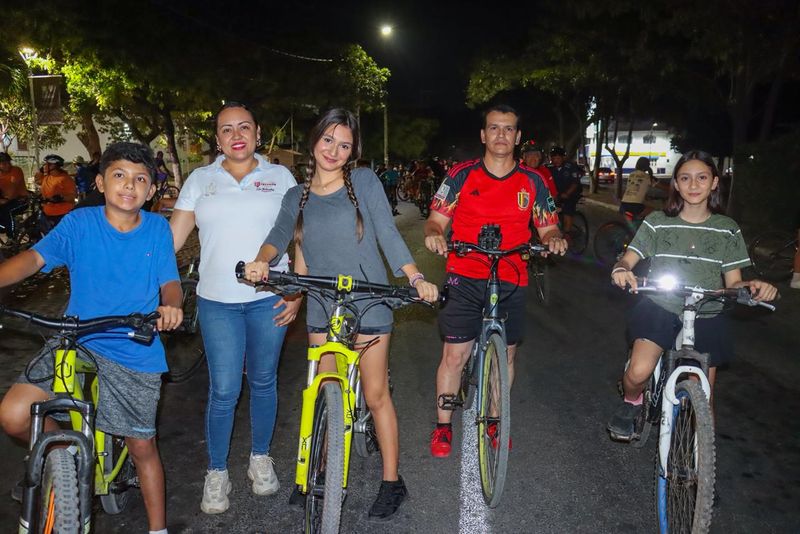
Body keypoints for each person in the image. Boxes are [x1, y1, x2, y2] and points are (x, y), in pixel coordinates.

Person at [242, 108, 439, 520]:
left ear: (353, 152)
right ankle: (317, 472)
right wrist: (261, 261)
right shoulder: (296, 196)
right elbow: (278, 237)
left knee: (374, 394)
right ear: (314, 140)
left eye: (344, 144)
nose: (334, 150)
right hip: (322, 303)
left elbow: (386, 231)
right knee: (322, 392)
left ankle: (391, 481)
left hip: (367, 299)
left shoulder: (362, 182)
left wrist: (416, 276)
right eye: (328, 140)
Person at [0, 142, 182, 534]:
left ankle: (158, 529)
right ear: (101, 182)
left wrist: (171, 306)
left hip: (133, 346)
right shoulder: (79, 224)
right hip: (76, 338)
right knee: (14, 415)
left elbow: (170, 282)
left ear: (151, 190)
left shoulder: (156, 229)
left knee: (142, 446)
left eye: (139, 179)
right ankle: (62, 453)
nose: (128, 185)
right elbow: (33, 258)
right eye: (119, 175)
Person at [169, 101, 299, 515]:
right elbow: (170, 242)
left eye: (244, 127)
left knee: (263, 382)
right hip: (217, 302)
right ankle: (217, 471)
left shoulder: (280, 176)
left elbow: (299, 237)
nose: (236, 135)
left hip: (269, 301)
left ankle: (260, 458)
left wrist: (297, 292)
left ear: (259, 133)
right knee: (224, 389)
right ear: (217, 138)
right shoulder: (199, 180)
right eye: (226, 129)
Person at [423, 104, 567, 458]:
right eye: (494, 128)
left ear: (517, 137)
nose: (501, 135)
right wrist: (434, 234)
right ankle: (443, 426)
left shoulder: (532, 182)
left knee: (507, 354)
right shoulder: (461, 174)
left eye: (508, 129)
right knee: (455, 355)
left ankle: (494, 420)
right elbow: (436, 220)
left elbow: (548, 226)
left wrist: (553, 239)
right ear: (483, 135)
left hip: (511, 276)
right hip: (465, 273)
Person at [607, 150, 778, 440]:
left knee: (704, 398)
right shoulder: (657, 221)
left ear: (714, 183)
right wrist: (622, 269)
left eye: (702, 177)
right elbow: (629, 258)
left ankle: (698, 471)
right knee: (637, 373)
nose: (694, 184)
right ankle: (631, 402)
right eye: (685, 178)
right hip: (660, 305)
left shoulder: (727, 229)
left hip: (707, 312)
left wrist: (753, 286)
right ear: (676, 183)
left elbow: (734, 282)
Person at [34, 154, 76, 233]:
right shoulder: (47, 177)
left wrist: (61, 198)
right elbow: (37, 180)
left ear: (53, 166)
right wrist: (40, 171)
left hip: (61, 213)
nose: (44, 166)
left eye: (46, 164)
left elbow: (72, 196)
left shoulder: (65, 179)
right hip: (47, 212)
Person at [546, 145, 582, 233]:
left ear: (563, 158)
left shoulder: (571, 167)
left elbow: (575, 183)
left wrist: (567, 194)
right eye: (554, 158)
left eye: (558, 158)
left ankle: (567, 235)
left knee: (567, 211)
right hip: (557, 195)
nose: (556, 160)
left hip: (571, 194)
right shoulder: (549, 169)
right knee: (547, 209)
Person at [0, 152, 30, 239]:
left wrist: (4, 200)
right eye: (4, 163)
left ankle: (11, 238)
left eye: (9, 162)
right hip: (6, 200)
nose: (8, 165)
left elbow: (11, 192)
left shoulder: (16, 171)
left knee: (7, 211)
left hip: (21, 200)